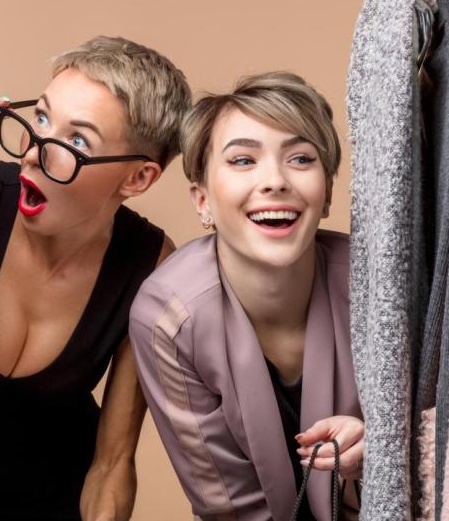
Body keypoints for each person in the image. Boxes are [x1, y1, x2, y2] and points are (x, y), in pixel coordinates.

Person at [0, 36, 191, 520]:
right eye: (42, 119)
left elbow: (112, 464)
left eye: (77, 141)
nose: (33, 153)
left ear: (137, 178)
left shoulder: (150, 265)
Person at [129, 71, 365, 521]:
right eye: (242, 160)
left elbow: (445, 449)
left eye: (301, 158)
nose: (275, 180)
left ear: (328, 193)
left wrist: (381, 454)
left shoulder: (378, 287)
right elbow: (227, 505)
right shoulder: (169, 317)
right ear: (202, 200)